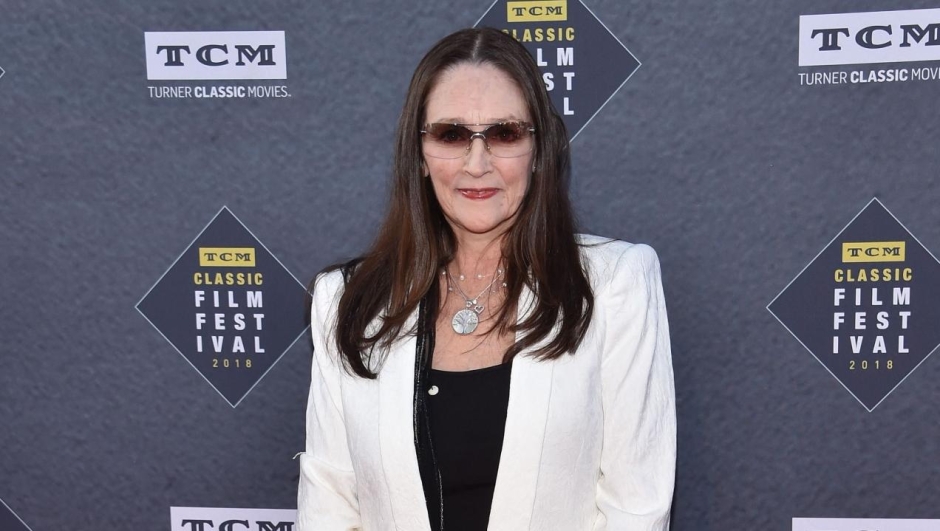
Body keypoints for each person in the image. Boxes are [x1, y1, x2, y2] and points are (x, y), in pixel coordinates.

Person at [297, 27, 675, 531]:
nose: (478, 164)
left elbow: (638, 508)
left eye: (504, 133)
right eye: (452, 135)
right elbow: (330, 502)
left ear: (539, 150)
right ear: (420, 154)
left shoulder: (614, 285)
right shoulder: (349, 300)